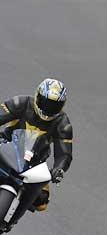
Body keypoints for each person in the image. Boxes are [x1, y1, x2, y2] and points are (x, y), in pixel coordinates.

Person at [0, 79, 72, 226]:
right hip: (6, 146)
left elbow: (64, 152)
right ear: (37, 96)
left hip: (35, 161)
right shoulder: (21, 103)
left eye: (54, 105)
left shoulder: (63, 123)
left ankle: (11, 220)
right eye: (46, 102)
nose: (48, 108)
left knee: (41, 200)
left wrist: (59, 169)